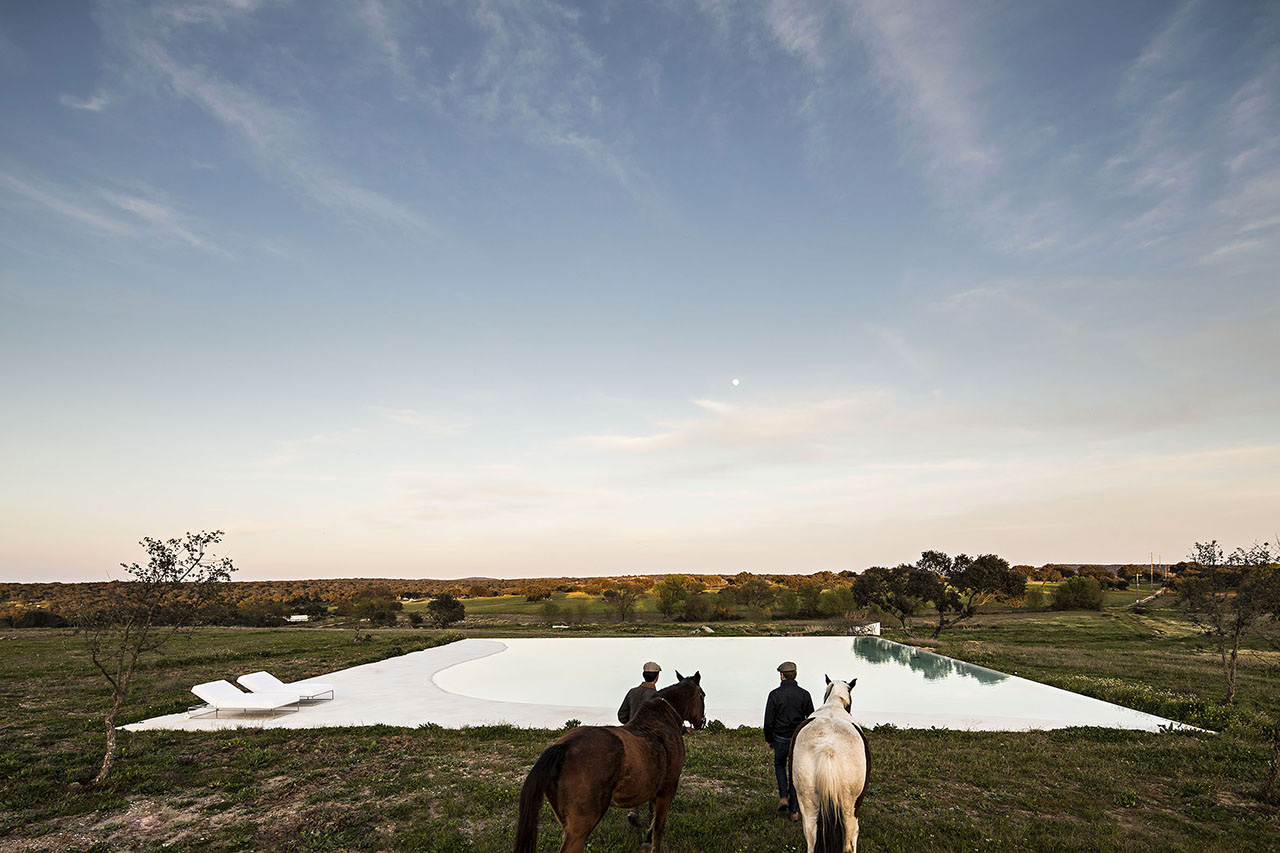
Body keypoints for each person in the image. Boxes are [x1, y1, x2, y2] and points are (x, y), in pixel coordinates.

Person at [763, 660, 813, 821]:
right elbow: (810, 719)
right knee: (795, 772)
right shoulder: (805, 694)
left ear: (782, 676)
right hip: (798, 741)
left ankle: (783, 797)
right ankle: (794, 811)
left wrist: (769, 739)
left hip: (780, 738)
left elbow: (769, 721)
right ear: (795, 675)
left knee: (779, 765)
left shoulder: (774, 694)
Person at [618, 661, 662, 826]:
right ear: (657, 677)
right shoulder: (657, 696)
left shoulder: (632, 692)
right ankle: (652, 816)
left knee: (633, 774)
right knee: (655, 776)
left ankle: (634, 810)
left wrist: (630, 722)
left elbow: (621, 715)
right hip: (649, 742)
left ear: (644, 675)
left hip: (629, 739)